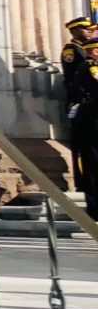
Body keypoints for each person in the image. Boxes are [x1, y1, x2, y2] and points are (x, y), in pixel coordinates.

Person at [61, 16, 98, 218]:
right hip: (84, 108)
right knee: (89, 158)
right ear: (75, 30)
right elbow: (75, 82)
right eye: (86, 29)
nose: (90, 32)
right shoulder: (74, 52)